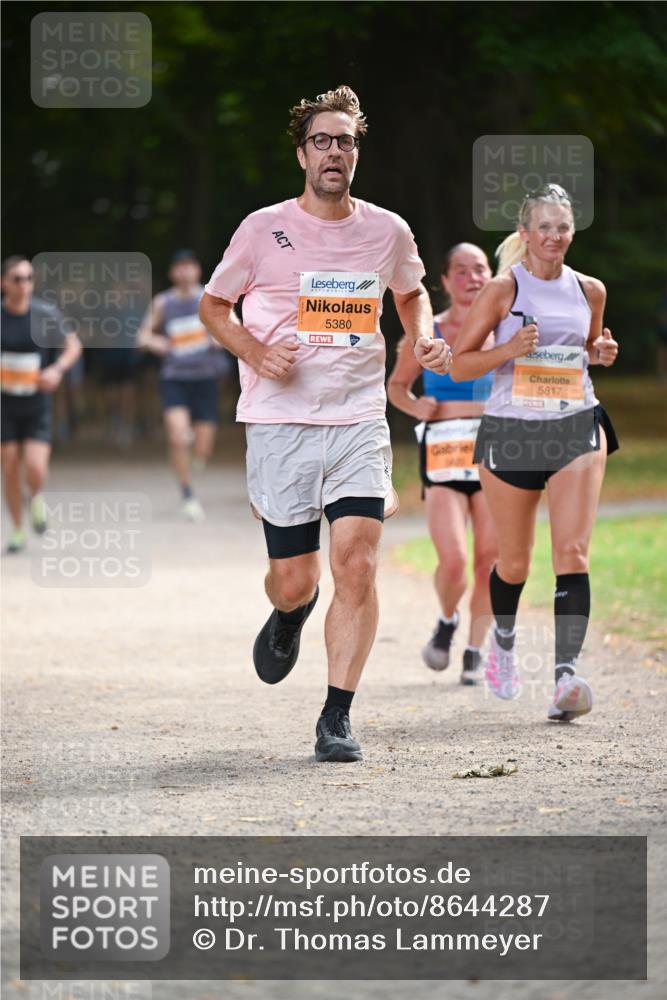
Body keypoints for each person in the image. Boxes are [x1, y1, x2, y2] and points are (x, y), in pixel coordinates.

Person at [199, 85, 450, 762]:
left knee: (358, 563)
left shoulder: (386, 230)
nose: (334, 151)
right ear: (302, 152)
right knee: (296, 576)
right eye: (322, 140)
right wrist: (254, 351)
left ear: (356, 151)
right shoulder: (261, 228)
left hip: (358, 418)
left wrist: (419, 337)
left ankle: (335, 716)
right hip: (280, 422)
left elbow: (410, 291)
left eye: (345, 140)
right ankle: (289, 613)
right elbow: (214, 304)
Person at [451, 184, 619, 721]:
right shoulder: (502, 290)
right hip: (512, 432)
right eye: (543, 227)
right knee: (515, 561)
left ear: (573, 232)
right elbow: (460, 365)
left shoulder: (590, 289)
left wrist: (601, 351)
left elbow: (589, 348)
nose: (554, 236)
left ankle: (565, 677)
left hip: (575, 423)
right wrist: (507, 348)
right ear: (524, 234)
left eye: (562, 227)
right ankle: (503, 640)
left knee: (572, 553)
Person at [387, 243, 497, 684]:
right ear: (446, 282)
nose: (472, 277)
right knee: (453, 561)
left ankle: (474, 649)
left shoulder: (507, 333)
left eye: (480, 269)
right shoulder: (427, 334)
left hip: (495, 461)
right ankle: (448, 620)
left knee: (489, 561)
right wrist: (417, 407)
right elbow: (396, 388)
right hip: (444, 460)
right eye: (461, 270)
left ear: (491, 277)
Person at [138, 250, 230, 520]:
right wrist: (156, 343)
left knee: (202, 448)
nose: (184, 272)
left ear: (198, 271)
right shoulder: (163, 302)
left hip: (206, 377)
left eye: (189, 267)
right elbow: (141, 334)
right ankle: (187, 492)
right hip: (175, 377)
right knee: (178, 437)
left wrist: (221, 337)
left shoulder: (210, 298)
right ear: (172, 273)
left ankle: (195, 460)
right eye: (179, 267)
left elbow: (232, 327)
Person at [1, 255, 82, 553]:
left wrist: (57, 370)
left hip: (37, 403)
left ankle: (36, 498)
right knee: (9, 467)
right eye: (17, 279)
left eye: (28, 278)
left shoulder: (45, 313)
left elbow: (73, 346)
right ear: (3, 284)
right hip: (5, 405)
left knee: (35, 467)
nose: (24, 284)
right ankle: (18, 529)